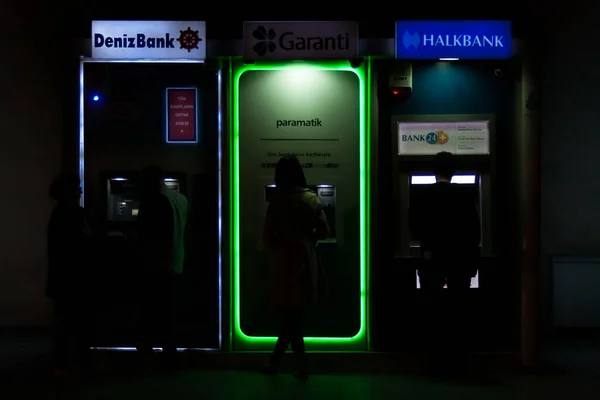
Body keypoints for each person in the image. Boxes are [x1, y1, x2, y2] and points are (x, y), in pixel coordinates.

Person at [408, 151, 481, 374]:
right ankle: (458, 361)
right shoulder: (465, 195)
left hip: (432, 258)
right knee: (459, 309)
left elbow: (414, 225)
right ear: (454, 171)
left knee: (433, 307)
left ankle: (435, 362)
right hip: (460, 258)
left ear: (433, 170)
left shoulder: (423, 195)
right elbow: (474, 228)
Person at [261, 156, 330, 381]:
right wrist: (307, 238)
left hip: (282, 261)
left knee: (289, 315)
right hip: (304, 259)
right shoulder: (311, 199)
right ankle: (294, 365)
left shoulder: (276, 201)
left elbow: (267, 236)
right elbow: (324, 231)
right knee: (295, 315)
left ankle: (282, 364)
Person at [136, 166, 188, 368]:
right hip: (177, 263)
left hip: (156, 267)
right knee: (170, 313)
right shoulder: (181, 198)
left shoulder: (153, 200)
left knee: (151, 313)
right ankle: (170, 356)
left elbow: (149, 237)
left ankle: (151, 356)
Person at [46, 172, 93, 377]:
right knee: (76, 324)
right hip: (75, 279)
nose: (80, 191)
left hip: (63, 279)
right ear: (69, 191)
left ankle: (65, 364)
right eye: (77, 188)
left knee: (67, 323)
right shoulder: (75, 214)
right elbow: (84, 243)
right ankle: (74, 364)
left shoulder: (57, 213)